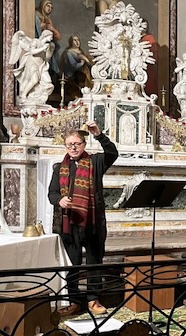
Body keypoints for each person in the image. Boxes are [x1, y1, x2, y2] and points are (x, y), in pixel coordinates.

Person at [48, 121, 118, 317]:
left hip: (93, 220)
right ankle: (74, 301)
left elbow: (113, 154)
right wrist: (60, 200)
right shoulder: (59, 168)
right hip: (69, 223)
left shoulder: (95, 162)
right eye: (69, 144)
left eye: (77, 144)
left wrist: (99, 135)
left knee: (95, 261)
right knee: (73, 263)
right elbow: (52, 193)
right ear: (65, 146)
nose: (73, 147)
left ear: (84, 145)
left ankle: (93, 299)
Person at [9, 30, 56, 103]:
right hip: (32, 63)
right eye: (50, 36)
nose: (51, 38)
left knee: (48, 82)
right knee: (34, 80)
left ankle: (37, 97)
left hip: (41, 66)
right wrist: (43, 48)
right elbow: (32, 52)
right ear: (45, 35)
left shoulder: (47, 46)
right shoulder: (36, 41)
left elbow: (46, 58)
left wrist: (49, 50)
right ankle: (24, 95)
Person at [59, 35, 93, 100]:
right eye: (75, 40)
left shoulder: (81, 52)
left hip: (83, 76)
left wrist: (87, 60)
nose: (77, 42)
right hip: (74, 76)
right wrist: (82, 63)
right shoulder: (69, 52)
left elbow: (89, 63)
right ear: (71, 42)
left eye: (78, 40)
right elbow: (73, 65)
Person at [35, 0, 61, 75]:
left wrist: (53, 29)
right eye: (48, 6)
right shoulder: (36, 15)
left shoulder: (48, 19)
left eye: (51, 7)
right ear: (43, 6)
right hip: (39, 44)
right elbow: (35, 28)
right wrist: (42, 26)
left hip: (48, 46)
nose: (49, 8)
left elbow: (58, 37)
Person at [141, 19, 158, 96]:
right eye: (142, 25)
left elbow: (153, 54)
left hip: (148, 68)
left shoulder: (149, 38)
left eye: (145, 26)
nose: (143, 28)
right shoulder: (133, 37)